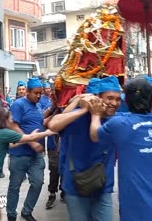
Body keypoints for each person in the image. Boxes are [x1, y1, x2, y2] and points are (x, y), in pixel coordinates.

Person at [88, 78, 152, 221]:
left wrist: (95, 115)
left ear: (127, 101)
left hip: (136, 210)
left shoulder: (119, 124)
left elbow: (94, 135)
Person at [47, 76, 122, 221]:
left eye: (118, 99)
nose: (114, 103)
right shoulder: (78, 117)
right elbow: (53, 125)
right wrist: (82, 110)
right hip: (76, 186)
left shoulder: (117, 120)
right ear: (98, 98)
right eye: (110, 98)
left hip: (103, 187)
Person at [0, 107, 56, 221]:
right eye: (11, 118)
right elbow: (31, 137)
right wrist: (48, 132)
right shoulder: (3, 133)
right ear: (5, 120)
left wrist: (28, 138)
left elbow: (10, 145)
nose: (13, 121)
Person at [6, 77, 46, 221]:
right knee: (15, 186)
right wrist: (31, 142)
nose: (38, 95)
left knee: (38, 182)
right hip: (19, 154)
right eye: (36, 93)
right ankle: (11, 214)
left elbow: (40, 122)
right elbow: (13, 126)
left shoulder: (39, 105)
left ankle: (27, 210)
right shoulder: (18, 105)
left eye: (40, 93)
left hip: (36, 155)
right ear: (27, 92)